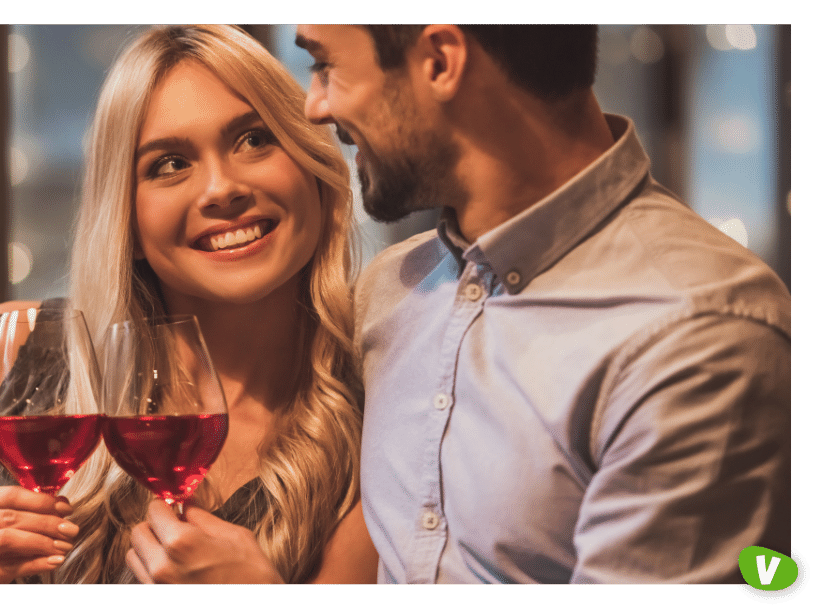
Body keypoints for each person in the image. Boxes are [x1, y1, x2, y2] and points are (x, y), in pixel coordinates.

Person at [0, 24, 377, 584]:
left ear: (311, 165)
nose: (221, 189)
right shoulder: (15, 352)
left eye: (254, 139)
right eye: (169, 164)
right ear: (127, 216)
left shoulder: (381, 405)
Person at [290, 24, 791, 584]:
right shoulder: (388, 290)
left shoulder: (701, 331)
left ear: (439, 60)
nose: (316, 106)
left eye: (325, 66)